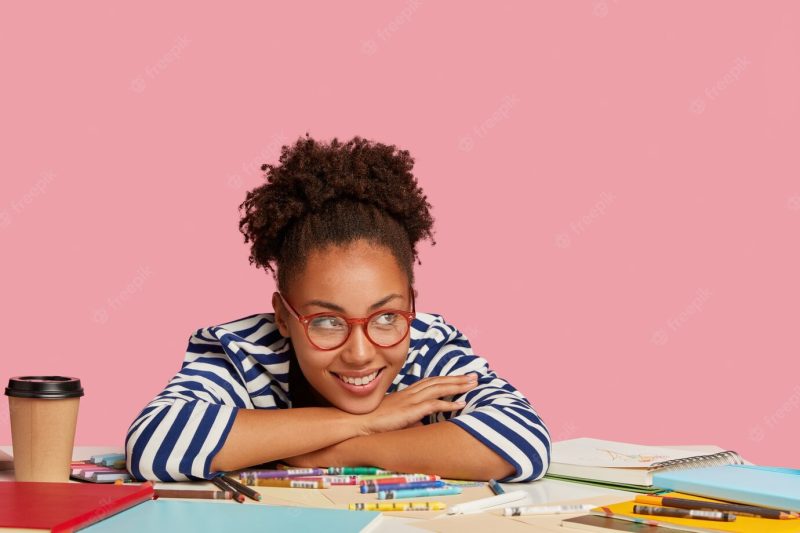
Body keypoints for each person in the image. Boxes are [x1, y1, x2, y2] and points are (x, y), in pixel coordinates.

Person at [125, 135, 550, 483]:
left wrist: (331, 450)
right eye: (327, 322)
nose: (361, 353)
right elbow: (158, 442)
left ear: (412, 307)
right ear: (283, 317)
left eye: (387, 317)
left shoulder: (428, 349)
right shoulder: (244, 354)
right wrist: (367, 419)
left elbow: (520, 441)